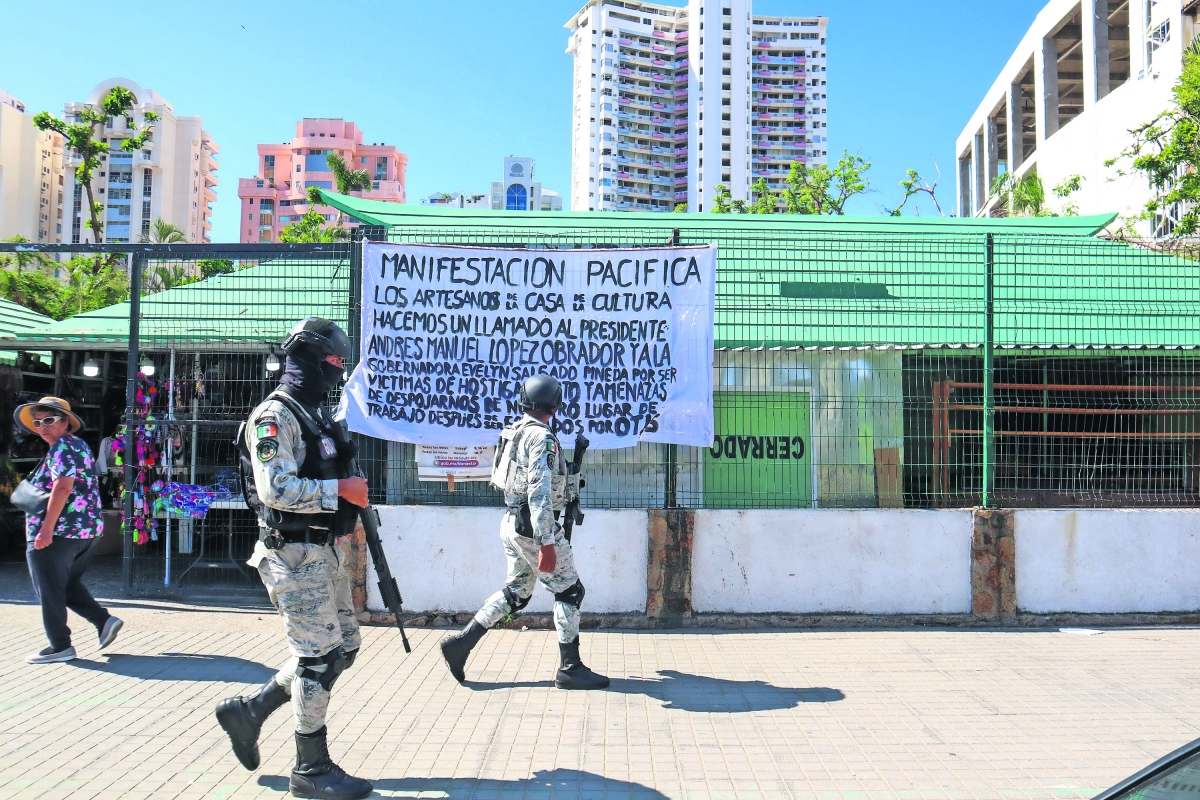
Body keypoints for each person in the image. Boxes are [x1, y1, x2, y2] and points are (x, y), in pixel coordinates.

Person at [215, 318, 373, 800]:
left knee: (342, 649)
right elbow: (275, 488)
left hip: (323, 552)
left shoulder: (316, 415)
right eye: (333, 362)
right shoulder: (274, 416)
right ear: (308, 361)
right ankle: (310, 768)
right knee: (318, 660)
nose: (338, 370)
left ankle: (252, 710)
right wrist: (340, 489)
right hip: (292, 553)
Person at [440, 374, 609, 691]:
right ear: (555, 405)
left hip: (512, 523)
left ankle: (461, 644)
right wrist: (547, 542)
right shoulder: (541, 437)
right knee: (570, 591)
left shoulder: (514, 432)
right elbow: (539, 492)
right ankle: (570, 667)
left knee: (517, 593)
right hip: (534, 526)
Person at [17, 397, 122, 664]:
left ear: (66, 422)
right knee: (66, 583)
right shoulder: (77, 446)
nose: (43, 426)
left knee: (49, 589)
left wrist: (46, 530)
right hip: (85, 530)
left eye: (49, 420)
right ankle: (104, 621)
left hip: (60, 532)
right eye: (38, 422)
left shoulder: (62, 448)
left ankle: (60, 645)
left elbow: (62, 487)